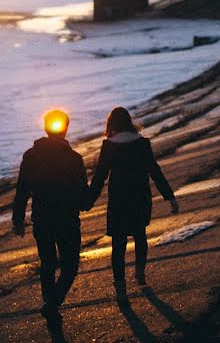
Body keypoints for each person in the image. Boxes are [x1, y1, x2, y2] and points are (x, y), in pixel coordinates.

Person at [87, 106, 179, 299]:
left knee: (118, 244)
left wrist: (87, 201)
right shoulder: (142, 143)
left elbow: (100, 176)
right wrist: (169, 197)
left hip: (119, 200)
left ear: (111, 124)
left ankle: (120, 286)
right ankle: (140, 274)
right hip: (139, 196)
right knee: (140, 236)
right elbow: (154, 171)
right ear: (130, 122)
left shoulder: (109, 146)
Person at [12, 109, 89, 323]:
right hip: (67, 219)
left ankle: (50, 305)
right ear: (65, 129)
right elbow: (82, 192)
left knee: (47, 264)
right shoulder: (74, 158)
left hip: (42, 219)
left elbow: (22, 190)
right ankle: (51, 304)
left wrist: (18, 220)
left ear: (46, 128)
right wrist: (86, 203)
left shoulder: (31, 155)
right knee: (70, 266)